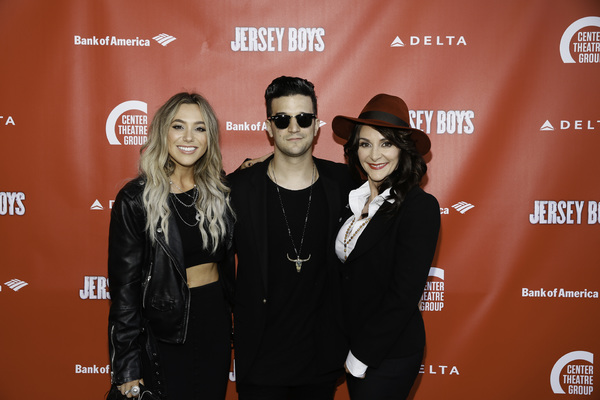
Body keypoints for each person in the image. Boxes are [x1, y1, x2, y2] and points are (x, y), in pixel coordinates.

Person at [227, 76, 355, 400]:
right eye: (282, 119)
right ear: (268, 127)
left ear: (317, 125)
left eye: (304, 118)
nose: (294, 127)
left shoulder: (345, 184)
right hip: (259, 361)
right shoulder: (239, 189)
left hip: (321, 360)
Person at [108, 92, 234, 399]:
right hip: (165, 329)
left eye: (200, 128)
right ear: (163, 132)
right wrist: (126, 365)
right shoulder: (136, 199)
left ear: (210, 138)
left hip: (213, 323)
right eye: (179, 126)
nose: (189, 137)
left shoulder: (220, 191)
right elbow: (125, 291)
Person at [331, 94, 440, 399]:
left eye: (386, 143)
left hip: (388, 353)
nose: (374, 154)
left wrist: (361, 355)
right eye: (365, 144)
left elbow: (402, 295)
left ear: (403, 150)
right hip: (351, 344)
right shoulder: (351, 196)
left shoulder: (419, 207)